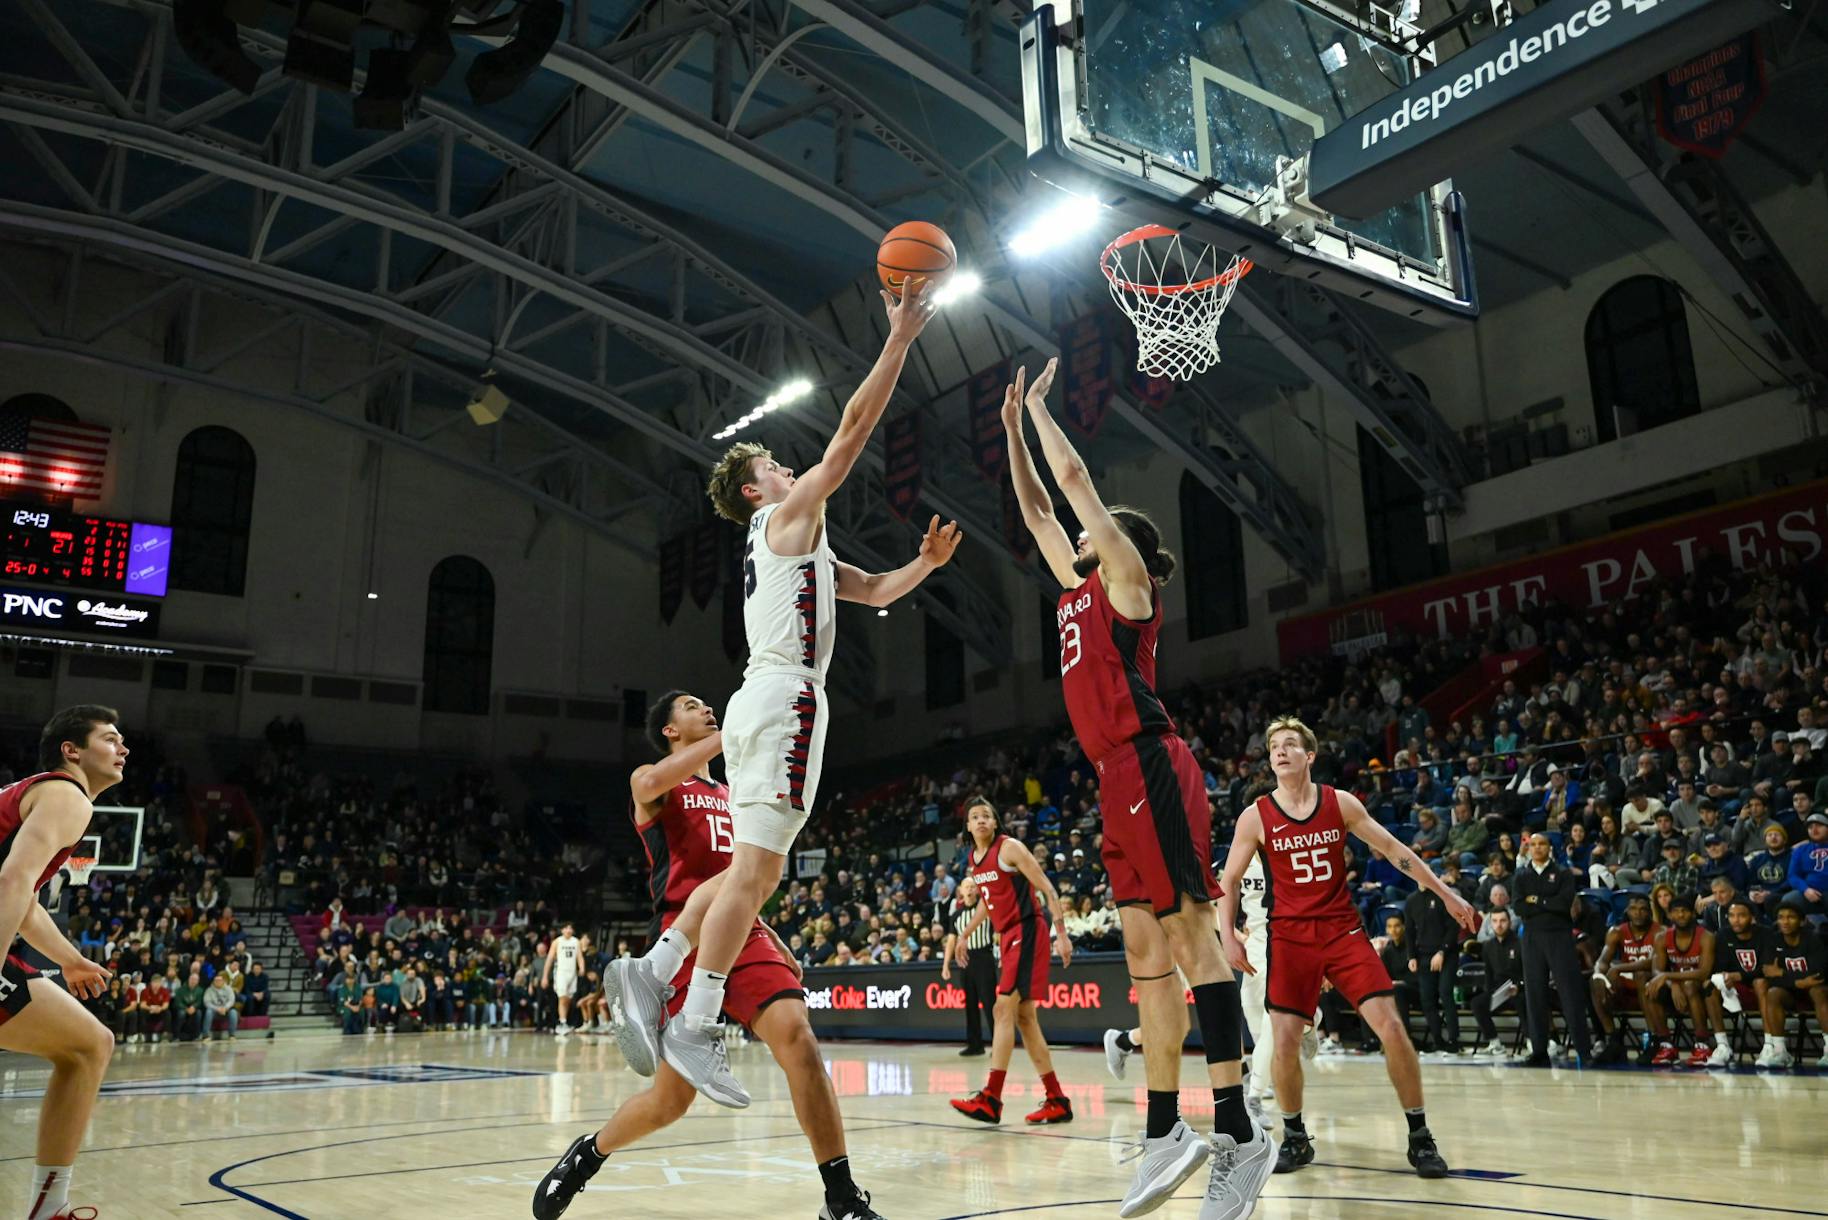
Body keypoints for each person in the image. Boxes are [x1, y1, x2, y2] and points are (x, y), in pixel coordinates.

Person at [616, 286, 947, 1110]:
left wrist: (926, 570)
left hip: (765, 697)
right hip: (786, 697)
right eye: (772, 466)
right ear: (758, 493)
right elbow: (847, 442)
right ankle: (689, 1018)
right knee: (758, 872)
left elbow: (869, 589)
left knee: (754, 875)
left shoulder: (794, 544)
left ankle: (662, 979)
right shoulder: (783, 521)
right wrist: (899, 338)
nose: (786, 467)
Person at [1005, 357, 1270, 1218]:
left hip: (1150, 761)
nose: (1077, 536)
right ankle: (1166, 1130)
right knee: (1147, 961)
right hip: (1113, 778)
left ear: (1115, 542)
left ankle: (1238, 1129)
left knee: (1191, 941)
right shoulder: (1075, 592)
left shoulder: (1126, 585)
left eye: (1093, 531)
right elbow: (1041, 508)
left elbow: (1072, 483)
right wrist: (1010, 433)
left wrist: (1043, 412)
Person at [538, 689, 884, 1220]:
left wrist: (771, 932)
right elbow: (650, 785)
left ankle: (840, 1198)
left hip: (745, 931)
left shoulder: (732, 792)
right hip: (683, 935)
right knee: (670, 1103)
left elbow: (744, 878)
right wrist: (734, 733)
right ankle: (588, 1154)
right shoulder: (652, 779)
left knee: (799, 1039)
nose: (706, 709)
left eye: (708, 705)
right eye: (693, 706)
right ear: (671, 729)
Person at [1219, 717, 1477, 1183]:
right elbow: (1229, 880)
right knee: (1282, 1041)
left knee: (1392, 1028)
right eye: (1274, 746)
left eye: (1290, 744)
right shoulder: (1256, 815)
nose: (1279, 751)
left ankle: (1420, 1135)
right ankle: (1295, 1136)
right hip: (1290, 939)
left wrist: (1445, 892)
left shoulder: (1340, 803)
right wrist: (1225, 934)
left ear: (1309, 756)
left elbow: (1394, 849)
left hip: (1342, 933)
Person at [0, 706, 123, 1219]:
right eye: (110, 738)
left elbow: (20, 898)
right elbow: (10, 883)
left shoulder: (40, 793)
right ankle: (48, 1210)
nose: (123, 749)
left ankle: (50, 1208)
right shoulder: (67, 796)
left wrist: (70, 960)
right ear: (71, 750)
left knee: (88, 1045)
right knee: (88, 1048)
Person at [948, 799, 1074, 1125]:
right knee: (1025, 1018)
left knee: (1002, 1009)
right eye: (974, 817)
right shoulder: (974, 862)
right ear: (967, 826)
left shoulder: (1009, 848)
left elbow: (1047, 888)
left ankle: (991, 1098)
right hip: (1007, 937)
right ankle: (1057, 1098)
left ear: (995, 821)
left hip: (1028, 929)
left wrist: (1061, 934)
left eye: (986, 816)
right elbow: (988, 905)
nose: (980, 821)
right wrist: (965, 935)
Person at [1511, 832, 1590, 1066]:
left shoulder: (1563, 873)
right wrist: (1546, 903)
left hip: (1559, 937)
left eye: (1541, 844)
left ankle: (1583, 1051)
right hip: (1532, 938)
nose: (1537, 848)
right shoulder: (1521, 876)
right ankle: (1539, 1051)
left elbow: (1563, 904)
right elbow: (1518, 906)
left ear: (1549, 848)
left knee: (1570, 993)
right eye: (1532, 845)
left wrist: (1536, 901)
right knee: (1534, 994)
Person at [1639, 892, 1723, 1067]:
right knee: (1651, 987)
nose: (1680, 915)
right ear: (1669, 915)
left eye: (1684, 911)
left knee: (1690, 985)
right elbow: (1656, 970)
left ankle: (1702, 1044)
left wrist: (1669, 976)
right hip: (1677, 989)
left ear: (1693, 913)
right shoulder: (1662, 937)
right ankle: (1666, 1044)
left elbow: (1703, 972)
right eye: (1676, 911)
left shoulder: (1706, 936)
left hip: (1703, 989)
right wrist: (1672, 984)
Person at [1588, 894, 1660, 1064]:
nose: (1638, 913)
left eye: (1643, 909)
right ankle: (1613, 1040)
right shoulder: (1617, 932)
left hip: (1651, 984)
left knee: (1642, 976)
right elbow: (1602, 961)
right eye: (1633, 909)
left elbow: (1652, 962)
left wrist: (1619, 967)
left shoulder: (1660, 932)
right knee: (1594, 981)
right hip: (1626, 987)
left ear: (1649, 912)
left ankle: (1654, 1040)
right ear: (1627, 911)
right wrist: (1599, 975)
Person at [1757, 897, 1828, 1070]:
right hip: (1791, 992)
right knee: (1773, 993)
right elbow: (1769, 974)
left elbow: (1818, 973)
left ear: (1802, 921)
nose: (1785, 921)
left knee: (1817, 990)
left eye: (1791, 917)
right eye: (1781, 917)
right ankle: (1780, 1051)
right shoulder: (1773, 940)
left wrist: (1782, 973)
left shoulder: (1814, 939)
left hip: (1816, 992)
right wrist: (1798, 981)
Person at [1402, 880, 1462, 1053]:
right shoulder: (1411, 900)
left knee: (1445, 993)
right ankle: (1437, 1040)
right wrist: (1411, 956)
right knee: (1427, 999)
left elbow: (1453, 927)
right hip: (1423, 955)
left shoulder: (1443, 896)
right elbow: (1409, 930)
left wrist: (1442, 952)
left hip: (1447, 954)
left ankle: (1453, 1039)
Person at [941, 877, 995, 1057]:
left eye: (973, 886)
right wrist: (946, 964)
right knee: (970, 1004)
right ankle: (975, 1044)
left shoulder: (986, 909)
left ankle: (999, 1044)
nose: (970, 890)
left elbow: (1000, 931)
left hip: (984, 957)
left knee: (990, 1003)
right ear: (961, 891)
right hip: (965, 960)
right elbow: (951, 941)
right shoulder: (956, 915)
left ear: (978, 890)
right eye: (967, 887)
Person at [1466, 909, 1523, 1056]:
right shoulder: (1488, 946)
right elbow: (1488, 973)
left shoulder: (1520, 943)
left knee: (1524, 1001)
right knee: (1477, 1003)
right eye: (1495, 921)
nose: (1499, 925)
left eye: (1503, 921)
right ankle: (1495, 1043)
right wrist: (1488, 991)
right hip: (1499, 992)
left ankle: (1532, 1042)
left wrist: (1519, 985)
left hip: (1518, 990)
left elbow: (1528, 972)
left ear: (1509, 922)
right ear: (1490, 923)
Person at [542, 922, 582, 1037]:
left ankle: (564, 1021)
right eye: (566, 928)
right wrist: (545, 976)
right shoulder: (557, 942)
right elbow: (549, 959)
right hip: (561, 973)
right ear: (562, 930)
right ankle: (562, 1022)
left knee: (568, 999)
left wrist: (582, 967)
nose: (568, 930)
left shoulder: (576, 941)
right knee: (562, 997)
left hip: (572, 973)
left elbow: (579, 956)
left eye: (570, 928)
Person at [203, 971, 239, 1041]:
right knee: (208, 1012)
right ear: (213, 982)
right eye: (216, 980)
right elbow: (207, 1002)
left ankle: (232, 1035)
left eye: (220, 980)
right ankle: (206, 1035)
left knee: (234, 1012)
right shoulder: (209, 990)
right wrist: (217, 1009)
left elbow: (231, 1000)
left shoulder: (228, 989)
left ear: (223, 981)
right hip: (215, 1011)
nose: (218, 982)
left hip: (226, 1011)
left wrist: (225, 1008)